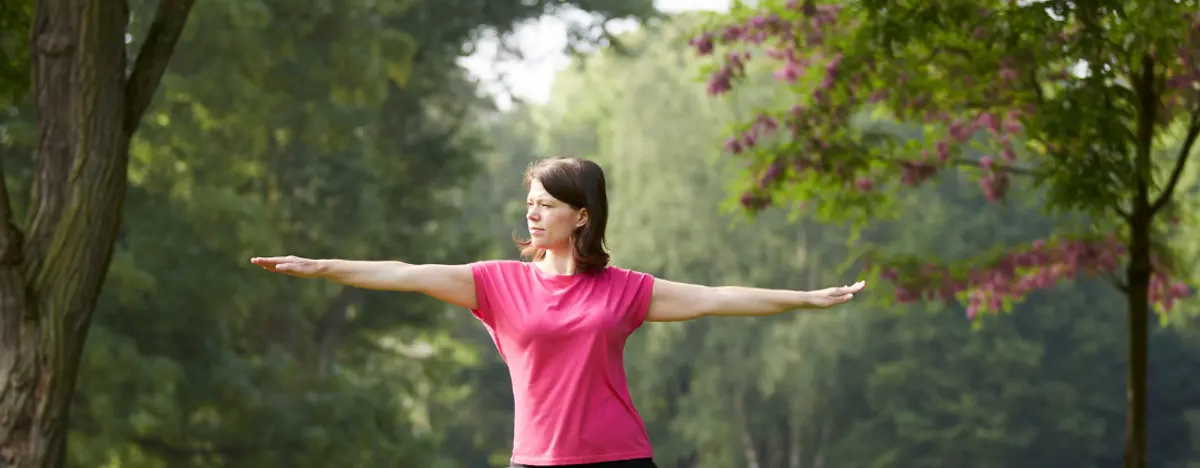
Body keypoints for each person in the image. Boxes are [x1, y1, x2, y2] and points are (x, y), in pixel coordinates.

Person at [251, 156, 865, 468]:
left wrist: (806, 298)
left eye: (547, 204)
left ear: (582, 216)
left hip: (620, 460)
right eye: (529, 203)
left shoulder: (624, 290)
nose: (533, 214)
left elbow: (714, 298)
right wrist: (318, 266)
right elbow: (403, 273)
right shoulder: (496, 285)